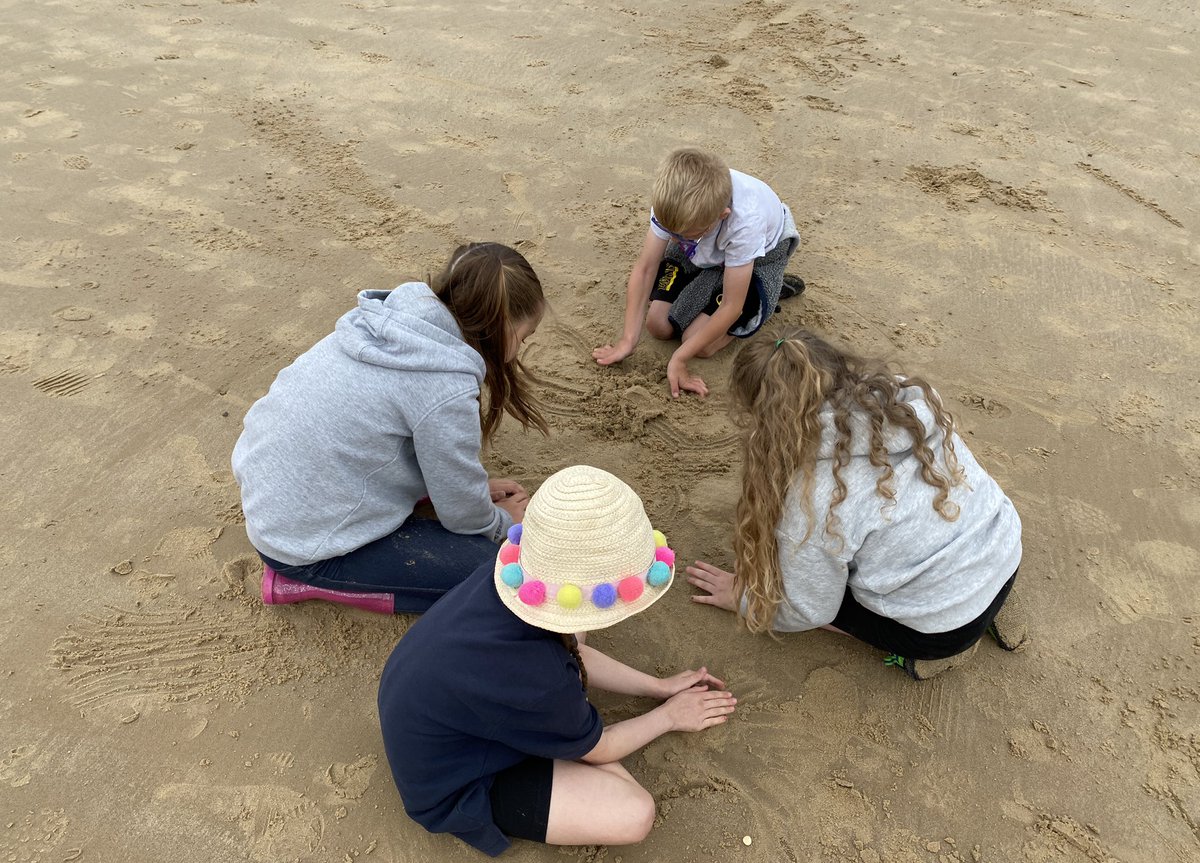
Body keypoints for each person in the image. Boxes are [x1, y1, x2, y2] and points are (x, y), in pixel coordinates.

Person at [378, 465, 736, 855]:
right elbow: (600, 747)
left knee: (573, 648)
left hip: (433, 710)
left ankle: (557, 737)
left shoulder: (514, 579)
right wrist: (670, 715)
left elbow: (573, 648)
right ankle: (552, 743)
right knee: (635, 811)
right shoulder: (540, 680)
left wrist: (658, 686)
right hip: (453, 780)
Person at [685, 330, 1027, 680]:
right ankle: (979, 601)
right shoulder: (904, 399)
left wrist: (747, 600)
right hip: (1006, 552)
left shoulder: (813, 498)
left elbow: (810, 610)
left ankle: (935, 653)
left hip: (945, 629)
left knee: (825, 590)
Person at [231, 242, 547, 615]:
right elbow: (463, 516)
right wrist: (498, 523)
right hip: (303, 545)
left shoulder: (384, 323)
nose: (521, 347)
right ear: (501, 328)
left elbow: (411, 448)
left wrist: (469, 492)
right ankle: (300, 582)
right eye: (523, 337)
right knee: (495, 575)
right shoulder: (444, 385)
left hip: (276, 497)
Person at [592, 146, 804, 398]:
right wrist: (627, 340)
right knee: (658, 325)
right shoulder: (672, 202)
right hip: (702, 243)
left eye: (681, 234)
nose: (670, 237)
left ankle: (768, 293)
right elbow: (646, 268)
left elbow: (731, 306)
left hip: (760, 256)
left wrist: (679, 359)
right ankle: (711, 273)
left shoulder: (745, 223)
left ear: (722, 216)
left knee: (700, 344)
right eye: (668, 231)